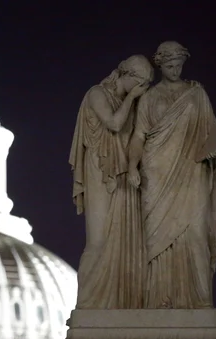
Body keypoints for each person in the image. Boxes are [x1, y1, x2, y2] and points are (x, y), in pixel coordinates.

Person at [128, 41, 216, 309]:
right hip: (156, 174)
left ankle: (198, 300)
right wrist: (132, 167)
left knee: (195, 234)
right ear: (160, 65)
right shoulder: (150, 98)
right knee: (155, 240)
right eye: (169, 65)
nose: (175, 70)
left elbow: (211, 132)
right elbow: (139, 136)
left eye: (178, 65)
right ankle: (158, 300)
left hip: (192, 171)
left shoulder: (197, 95)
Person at [69, 55, 154, 309]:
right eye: (141, 82)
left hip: (123, 176)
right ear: (126, 75)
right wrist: (132, 98)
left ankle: (120, 301)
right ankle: (89, 304)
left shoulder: (132, 103)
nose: (143, 89)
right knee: (98, 240)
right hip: (101, 170)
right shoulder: (97, 93)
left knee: (124, 240)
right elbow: (115, 124)